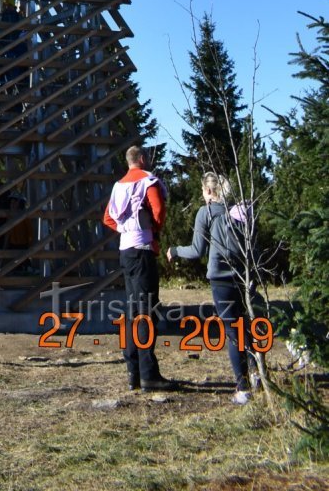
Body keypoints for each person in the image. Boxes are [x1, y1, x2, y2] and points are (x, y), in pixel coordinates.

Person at [167, 174, 260, 404]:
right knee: (246, 327)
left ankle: (242, 388)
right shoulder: (239, 211)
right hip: (243, 277)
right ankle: (257, 374)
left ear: (209, 191)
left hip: (221, 278)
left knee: (232, 332)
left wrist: (175, 250)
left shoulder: (206, 212)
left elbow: (197, 250)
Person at [103, 145, 168, 391]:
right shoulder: (148, 181)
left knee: (132, 311)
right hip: (142, 249)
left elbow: (108, 217)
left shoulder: (118, 186)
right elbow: (159, 210)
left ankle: (133, 371)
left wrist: (125, 230)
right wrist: (152, 230)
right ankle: (149, 374)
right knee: (146, 311)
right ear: (142, 159)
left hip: (125, 250)